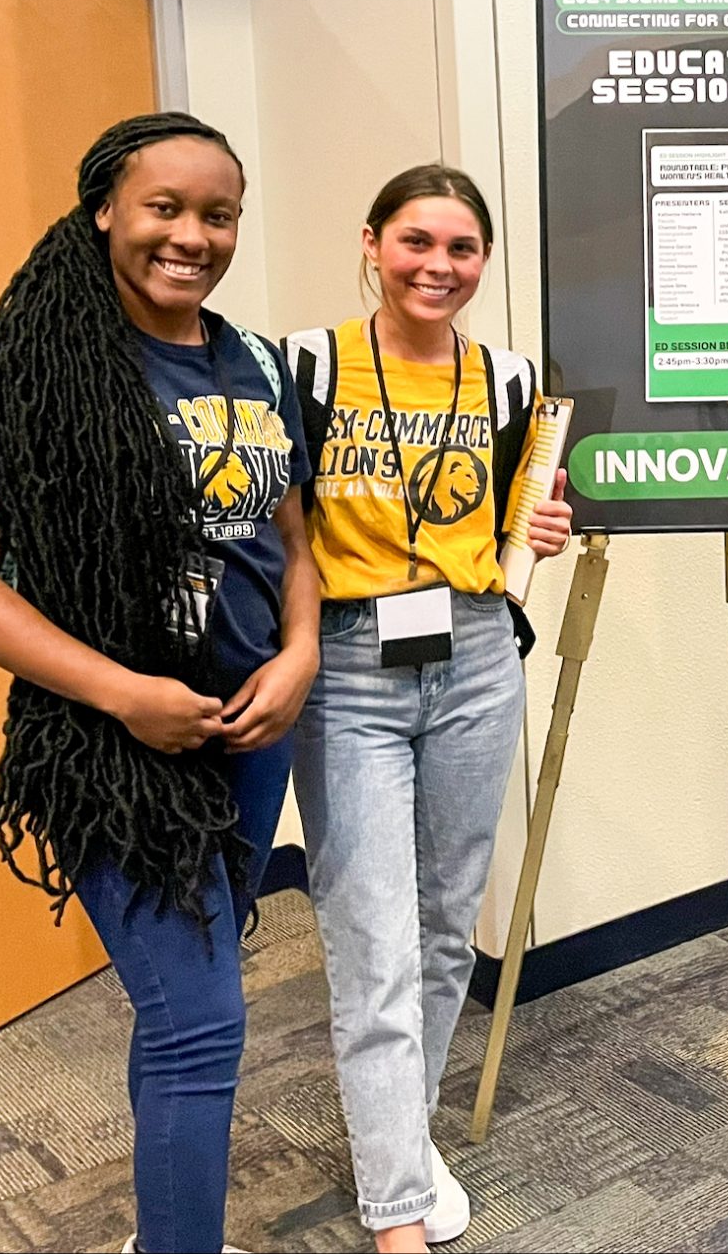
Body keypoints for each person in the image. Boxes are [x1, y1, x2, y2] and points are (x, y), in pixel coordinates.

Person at [0, 112, 319, 1254]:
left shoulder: (251, 360)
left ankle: (163, 1236)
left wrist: (299, 653)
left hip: (249, 733)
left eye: (218, 214)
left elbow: (292, 537)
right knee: (202, 1025)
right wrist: (121, 691)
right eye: (165, 207)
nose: (192, 235)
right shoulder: (27, 364)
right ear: (105, 207)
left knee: (179, 1006)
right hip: (111, 745)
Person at [284, 164, 571, 1253]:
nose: (436, 267)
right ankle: (396, 1208)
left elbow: (517, 517)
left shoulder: (506, 380)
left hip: (475, 653)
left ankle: (400, 1134)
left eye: (459, 249)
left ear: (481, 263)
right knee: (373, 939)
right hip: (350, 665)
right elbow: (285, 529)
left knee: (449, 927)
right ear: (371, 243)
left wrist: (536, 534)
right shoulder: (305, 365)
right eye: (415, 242)